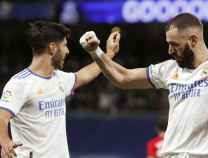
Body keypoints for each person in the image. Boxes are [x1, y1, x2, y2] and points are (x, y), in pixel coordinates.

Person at [79, 13, 208, 158]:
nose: (170, 50)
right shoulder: (169, 69)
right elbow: (123, 78)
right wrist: (96, 52)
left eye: (174, 44)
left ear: (193, 40)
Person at [0, 21, 119, 158]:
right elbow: (2, 117)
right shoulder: (19, 83)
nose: (67, 51)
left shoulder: (60, 78)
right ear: (52, 48)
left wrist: (109, 54)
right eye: (65, 46)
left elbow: (84, 75)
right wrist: (5, 141)